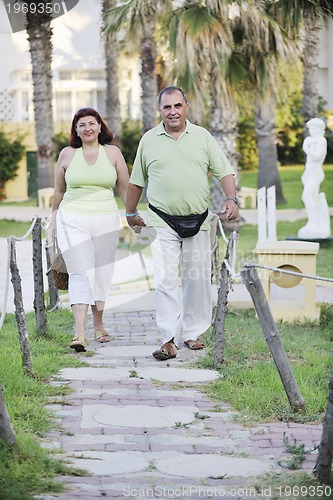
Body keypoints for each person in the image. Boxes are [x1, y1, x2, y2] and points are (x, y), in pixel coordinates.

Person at [125, 86, 239, 361]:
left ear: (186, 107)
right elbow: (136, 181)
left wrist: (232, 198)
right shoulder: (149, 140)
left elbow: (224, 171)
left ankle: (192, 333)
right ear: (160, 111)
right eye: (167, 107)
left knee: (197, 279)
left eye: (177, 106)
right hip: (161, 220)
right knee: (165, 280)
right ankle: (167, 338)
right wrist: (130, 213)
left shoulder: (203, 137)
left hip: (198, 220)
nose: (173, 111)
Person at [52, 107, 129, 352]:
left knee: (102, 273)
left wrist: (132, 214)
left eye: (91, 123)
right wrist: (52, 220)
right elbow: (59, 191)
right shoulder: (67, 154)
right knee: (80, 273)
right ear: (75, 129)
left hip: (105, 219)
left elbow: (125, 188)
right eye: (81, 124)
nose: (87, 128)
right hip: (72, 220)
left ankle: (99, 323)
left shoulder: (113, 153)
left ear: (99, 126)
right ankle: (79, 333)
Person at [298, 117, 329, 238]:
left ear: (320, 129)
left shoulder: (321, 140)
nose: (311, 131)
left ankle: (313, 222)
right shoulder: (311, 139)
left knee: (306, 196)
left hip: (316, 173)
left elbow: (317, 157)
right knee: (312, 197)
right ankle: (315, 222)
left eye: (313, 128)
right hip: (309, 172)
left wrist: (307, 148)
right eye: (310, 128)